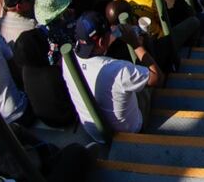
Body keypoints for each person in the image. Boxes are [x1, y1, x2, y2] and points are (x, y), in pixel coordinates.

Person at [64, 11, 164, 141]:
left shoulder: (67, 60)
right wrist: (135, 44)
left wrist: (110, 37)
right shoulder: (120, 70)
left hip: (96, 134)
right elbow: (158, 78)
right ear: (100, 42)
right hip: (131, 130)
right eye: (108, 34)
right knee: (149, 80)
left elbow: (99, 51)